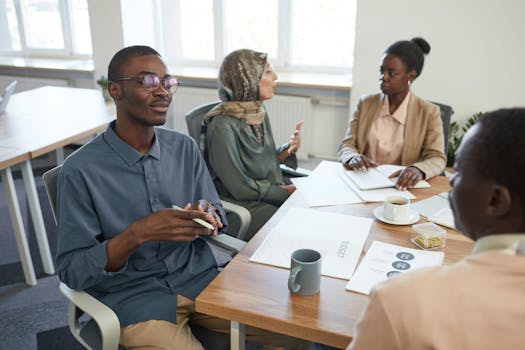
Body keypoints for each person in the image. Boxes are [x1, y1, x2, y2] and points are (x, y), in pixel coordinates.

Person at [56, 45, 309, 350]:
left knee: (297, 334)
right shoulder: (80, 171)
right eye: (148, 81)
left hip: (201, 280)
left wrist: (208, 213)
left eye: (169, 82)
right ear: (115, 91)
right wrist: (138, 234)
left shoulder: (183, 148)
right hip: (133, 299)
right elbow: (72, 270)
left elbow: (216, 211)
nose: (163, 91)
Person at [347, 108, 525, 350]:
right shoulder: (367, 104)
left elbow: (435, 157)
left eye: (460, 171)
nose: (450, 180)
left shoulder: (402, 302)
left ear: (495, 200)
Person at [203, 49, 303, 240]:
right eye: (267, 72)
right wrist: (284, 192)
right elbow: (239, 187)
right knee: (295, 226)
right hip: (241, 205)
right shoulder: (221, 126)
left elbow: (256, 160)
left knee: (309, 213)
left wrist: (286, 151)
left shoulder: (257, 112)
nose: (275, 76)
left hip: (261, 194)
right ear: (246, 79)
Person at [338, 37, 446, 190]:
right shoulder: (366, 103)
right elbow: (347, 144)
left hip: (400, 188)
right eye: (381, 71)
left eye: (392, 73)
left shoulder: (429, 112)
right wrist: (353, 157)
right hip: (362, 182)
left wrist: (418, 170)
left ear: (411, 76)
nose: (383, 78)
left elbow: (437, 158)